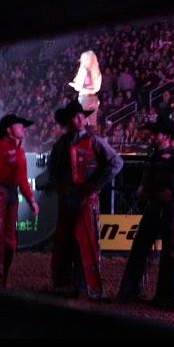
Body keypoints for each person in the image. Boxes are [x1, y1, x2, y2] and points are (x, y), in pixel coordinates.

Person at [117, 119, 174, 309]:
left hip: (170, 207)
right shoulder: (153, 157)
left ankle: (168, 296)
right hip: (154, 205)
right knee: (142, 247)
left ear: (167, 137)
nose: (153, 137)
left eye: (157, 134)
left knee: (171, 251)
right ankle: (133, 291)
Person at [47, 100, 123, 300]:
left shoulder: (94, 141)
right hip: (68, 199)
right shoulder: (61, 144)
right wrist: (59, 187)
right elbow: (52, 170)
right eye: (76, 116)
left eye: (81, 115)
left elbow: (116, 163)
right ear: (69, 120)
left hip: (85, 199)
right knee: (66, 241)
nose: (80, 119)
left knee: (85, 240)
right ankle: (66, 283)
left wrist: (95, 185)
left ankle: (83, 284)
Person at [0, 115, 39, 287]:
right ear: (9, 130)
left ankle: (1, 280)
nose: (23, 128)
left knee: (8, 240)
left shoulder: (19, 152)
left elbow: (22, 180)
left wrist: (31, 200)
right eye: (19, 126)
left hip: (10, 197)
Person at [69, 51, 102, 130]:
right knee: (93, 124)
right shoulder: (97, 72)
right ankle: (93, 140)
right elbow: (97, 88)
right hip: (94, 99)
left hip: (84, 99)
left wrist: (72, 85)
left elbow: (78, 87)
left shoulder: (83, 70)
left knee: (81, 124)